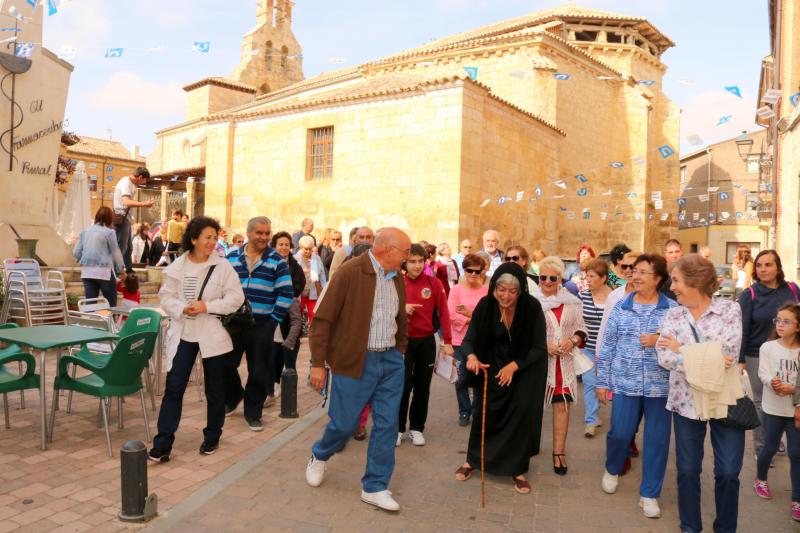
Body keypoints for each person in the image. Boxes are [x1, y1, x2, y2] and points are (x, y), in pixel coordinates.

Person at [305, 228, 410, 512]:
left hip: (390, 361)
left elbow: (398, 317)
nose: (408, 258)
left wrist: (400, 347)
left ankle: (375, 486)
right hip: (356, 361)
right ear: (387, 249)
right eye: (405, 252)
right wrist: (318, 364)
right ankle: (320, 454)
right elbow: (323, 320)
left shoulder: (396, 277)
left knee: (388, 424)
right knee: (345, 423)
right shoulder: (351, 272)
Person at [656, 254, 744, 532]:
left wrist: (681, 350)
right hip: (686, 403)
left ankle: (725, 528)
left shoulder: (730, 311)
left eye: (677, 280)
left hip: (723, 399)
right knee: (687, 471)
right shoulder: (672, 314)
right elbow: (662, 357)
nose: (672, 286)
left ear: (694, 282)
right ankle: (690, 527)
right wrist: (707, 355)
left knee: (729, 472)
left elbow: (728, 355)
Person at [148, 216, 245, 462]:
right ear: (193, 239)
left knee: (215, 390)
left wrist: (207, 306)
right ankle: (163, 443)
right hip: (184, 335)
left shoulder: (223, 267)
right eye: (207, 237)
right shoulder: (178, 266)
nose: (212, 242)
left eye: (215, 237)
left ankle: (212, 436)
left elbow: (236, 299)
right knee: (174, 387)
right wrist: (181, 308)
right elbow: (166, 296)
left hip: (212, 335)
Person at [455, 262, 548, 495]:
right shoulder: (486, 306)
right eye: (501, 290)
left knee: (518, 421)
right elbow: (469, 341)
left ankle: (517, 470)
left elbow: (538, 348)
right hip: (492, 371)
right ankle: (472, 461)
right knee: (484, 417)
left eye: (512, 291)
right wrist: (472, 356)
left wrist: (514, 366)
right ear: (494, 288)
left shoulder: (532, 308)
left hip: (522, 372)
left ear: (521, 291)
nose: (505, 296)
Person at [597, 253, 676, 519]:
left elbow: (682, 342)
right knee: (620, 433)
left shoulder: (673, 310)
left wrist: (659, 339)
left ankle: (650, 494)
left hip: (660, 387)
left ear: (659, 279)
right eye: (635, 271)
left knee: (657, 441)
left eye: (643, 272)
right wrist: (601, 381)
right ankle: (612, 467)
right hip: (624, 383)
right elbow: (607, 344)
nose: (636, 276)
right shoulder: (622, 306)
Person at [225, 216, 294, 431]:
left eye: (267, 233)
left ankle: (253, 412)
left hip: (263, 323)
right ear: (249, 233)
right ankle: (235, 393)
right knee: (225, 364)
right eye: (260, 233)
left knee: (259, 371)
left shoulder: (277, 261)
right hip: (234, 322)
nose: (264, 237)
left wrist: (273, 321)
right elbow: (222, 287)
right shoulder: (231, 257)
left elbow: (286, 293)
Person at [739, 249, 800, 457]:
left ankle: (775, 439)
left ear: (778, 267)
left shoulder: (792, 289)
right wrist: (740, 360)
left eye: (768, 265)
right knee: (761, 401)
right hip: (757, 354)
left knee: (786, 397)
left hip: (791, 352)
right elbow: (742, 328)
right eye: (759, 265)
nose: (763, 269)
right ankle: (763, 447)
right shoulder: (750, 294)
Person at [533, 256, 587, 476]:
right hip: (537, 363)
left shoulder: (571, 301)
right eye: (543, 277)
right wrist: (542, 344)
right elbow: (521, 333)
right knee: (530, 408)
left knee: (562, 407)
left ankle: (559, 452)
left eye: (551, 277)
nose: (546, 281)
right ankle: (526, 447)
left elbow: (582, 329)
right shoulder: (530, 301)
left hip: (562, 364)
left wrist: (571, 341)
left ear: (559, 279)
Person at [398, 244, 454, 447]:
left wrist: (447, 341)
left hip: (427, 342)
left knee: (422, 387)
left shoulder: (434, 283)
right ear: (405, 262)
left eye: (420, 261)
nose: (417, 265)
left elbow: (445, 314)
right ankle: (398, 428)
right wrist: (401, 309)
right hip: (403, 342)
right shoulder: (397, 283)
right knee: (402, 386)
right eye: (412, 261)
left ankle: (417, 428)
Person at [754, 303, 800, 520]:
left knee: (797, 454)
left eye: (786, 321)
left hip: (796, 411)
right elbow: (763, 373)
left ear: (798, 326)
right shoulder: (768, 347)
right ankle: (760, 478)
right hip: (772, 408)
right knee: (769, 447)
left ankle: (797, 500)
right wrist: (772, 382)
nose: (780, 325)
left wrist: (793, 390)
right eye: (778, 320)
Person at [447, 253, 488, 426]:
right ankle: (464, 411)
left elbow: (487, 316)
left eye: (476, 271)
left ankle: (478, 411)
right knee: (461, 377)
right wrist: (471, 319)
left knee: (479, 377)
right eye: (469, 270)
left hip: (479, 340)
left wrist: (470, 316)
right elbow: (451, 314)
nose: (472, 274)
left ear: (482, 272)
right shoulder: (456, 289)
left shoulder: (486, 290)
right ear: (464, 270)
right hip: (459, 340)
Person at [268, 231, 305, 408]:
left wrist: (286, 295)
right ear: (274, 246)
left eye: (286, 244)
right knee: (273, 358)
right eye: (280, 244)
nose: (283, 247)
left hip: (289, 315)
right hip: (271, 315)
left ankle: (289, 398)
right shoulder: (267, 263)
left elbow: (300, 283)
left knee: (289, 358)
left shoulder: (294, 266)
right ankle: (272, 391)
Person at [579, 258, 611, 437]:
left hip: (608, 350)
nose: (588, 280)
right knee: (590, 382)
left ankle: (597, 415)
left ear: (603, 278)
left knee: (602, 383)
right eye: (586, 276)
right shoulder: (583, 296)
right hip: (587, 348)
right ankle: (591, 421)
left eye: (592, 276)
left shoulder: (615, 296)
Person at [73, 206, 126, 307]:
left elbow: (76, 252)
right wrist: (122, 271)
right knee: (111, 305)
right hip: (104, 272)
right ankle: (111, 322)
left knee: (90, 306)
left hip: (87, 272)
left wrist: (84, 260)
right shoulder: (109, 233)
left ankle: (92, 323)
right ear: (110, 218)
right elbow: (116, 253)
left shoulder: (85, 231)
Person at [113, 167, 154, 273]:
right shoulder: (126, 183)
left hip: (126, 217)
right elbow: (126, 202)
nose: (144, 182)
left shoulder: (130, 184)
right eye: (144, 180)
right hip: (121, 217)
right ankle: (116, 270)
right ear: (140, 177)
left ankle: (128, 268)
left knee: (128, 247)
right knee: (122, 246)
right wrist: (144, 204)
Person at [295, 235, 327, 323]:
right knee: (297, 316)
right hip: (299, 294)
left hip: (312, 293)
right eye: (306, 249)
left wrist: (323, 291)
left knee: (314, 316)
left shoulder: (317, 259)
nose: (308, 251)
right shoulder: (295, 259)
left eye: (310, 248)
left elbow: (322, 276)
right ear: (301, 247)